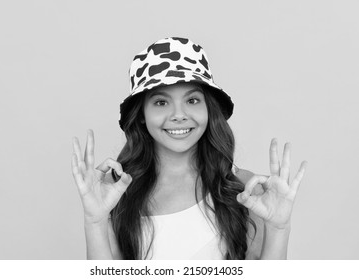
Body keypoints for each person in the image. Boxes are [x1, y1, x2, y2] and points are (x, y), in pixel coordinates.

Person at [71, 37, 308, 260]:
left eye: (192, 100)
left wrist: (279, 228)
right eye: (161, 102)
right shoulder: (116, 192)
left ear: (208, 108)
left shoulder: (243, 188)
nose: (178, 115)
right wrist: (95, 220)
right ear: (142, 114)